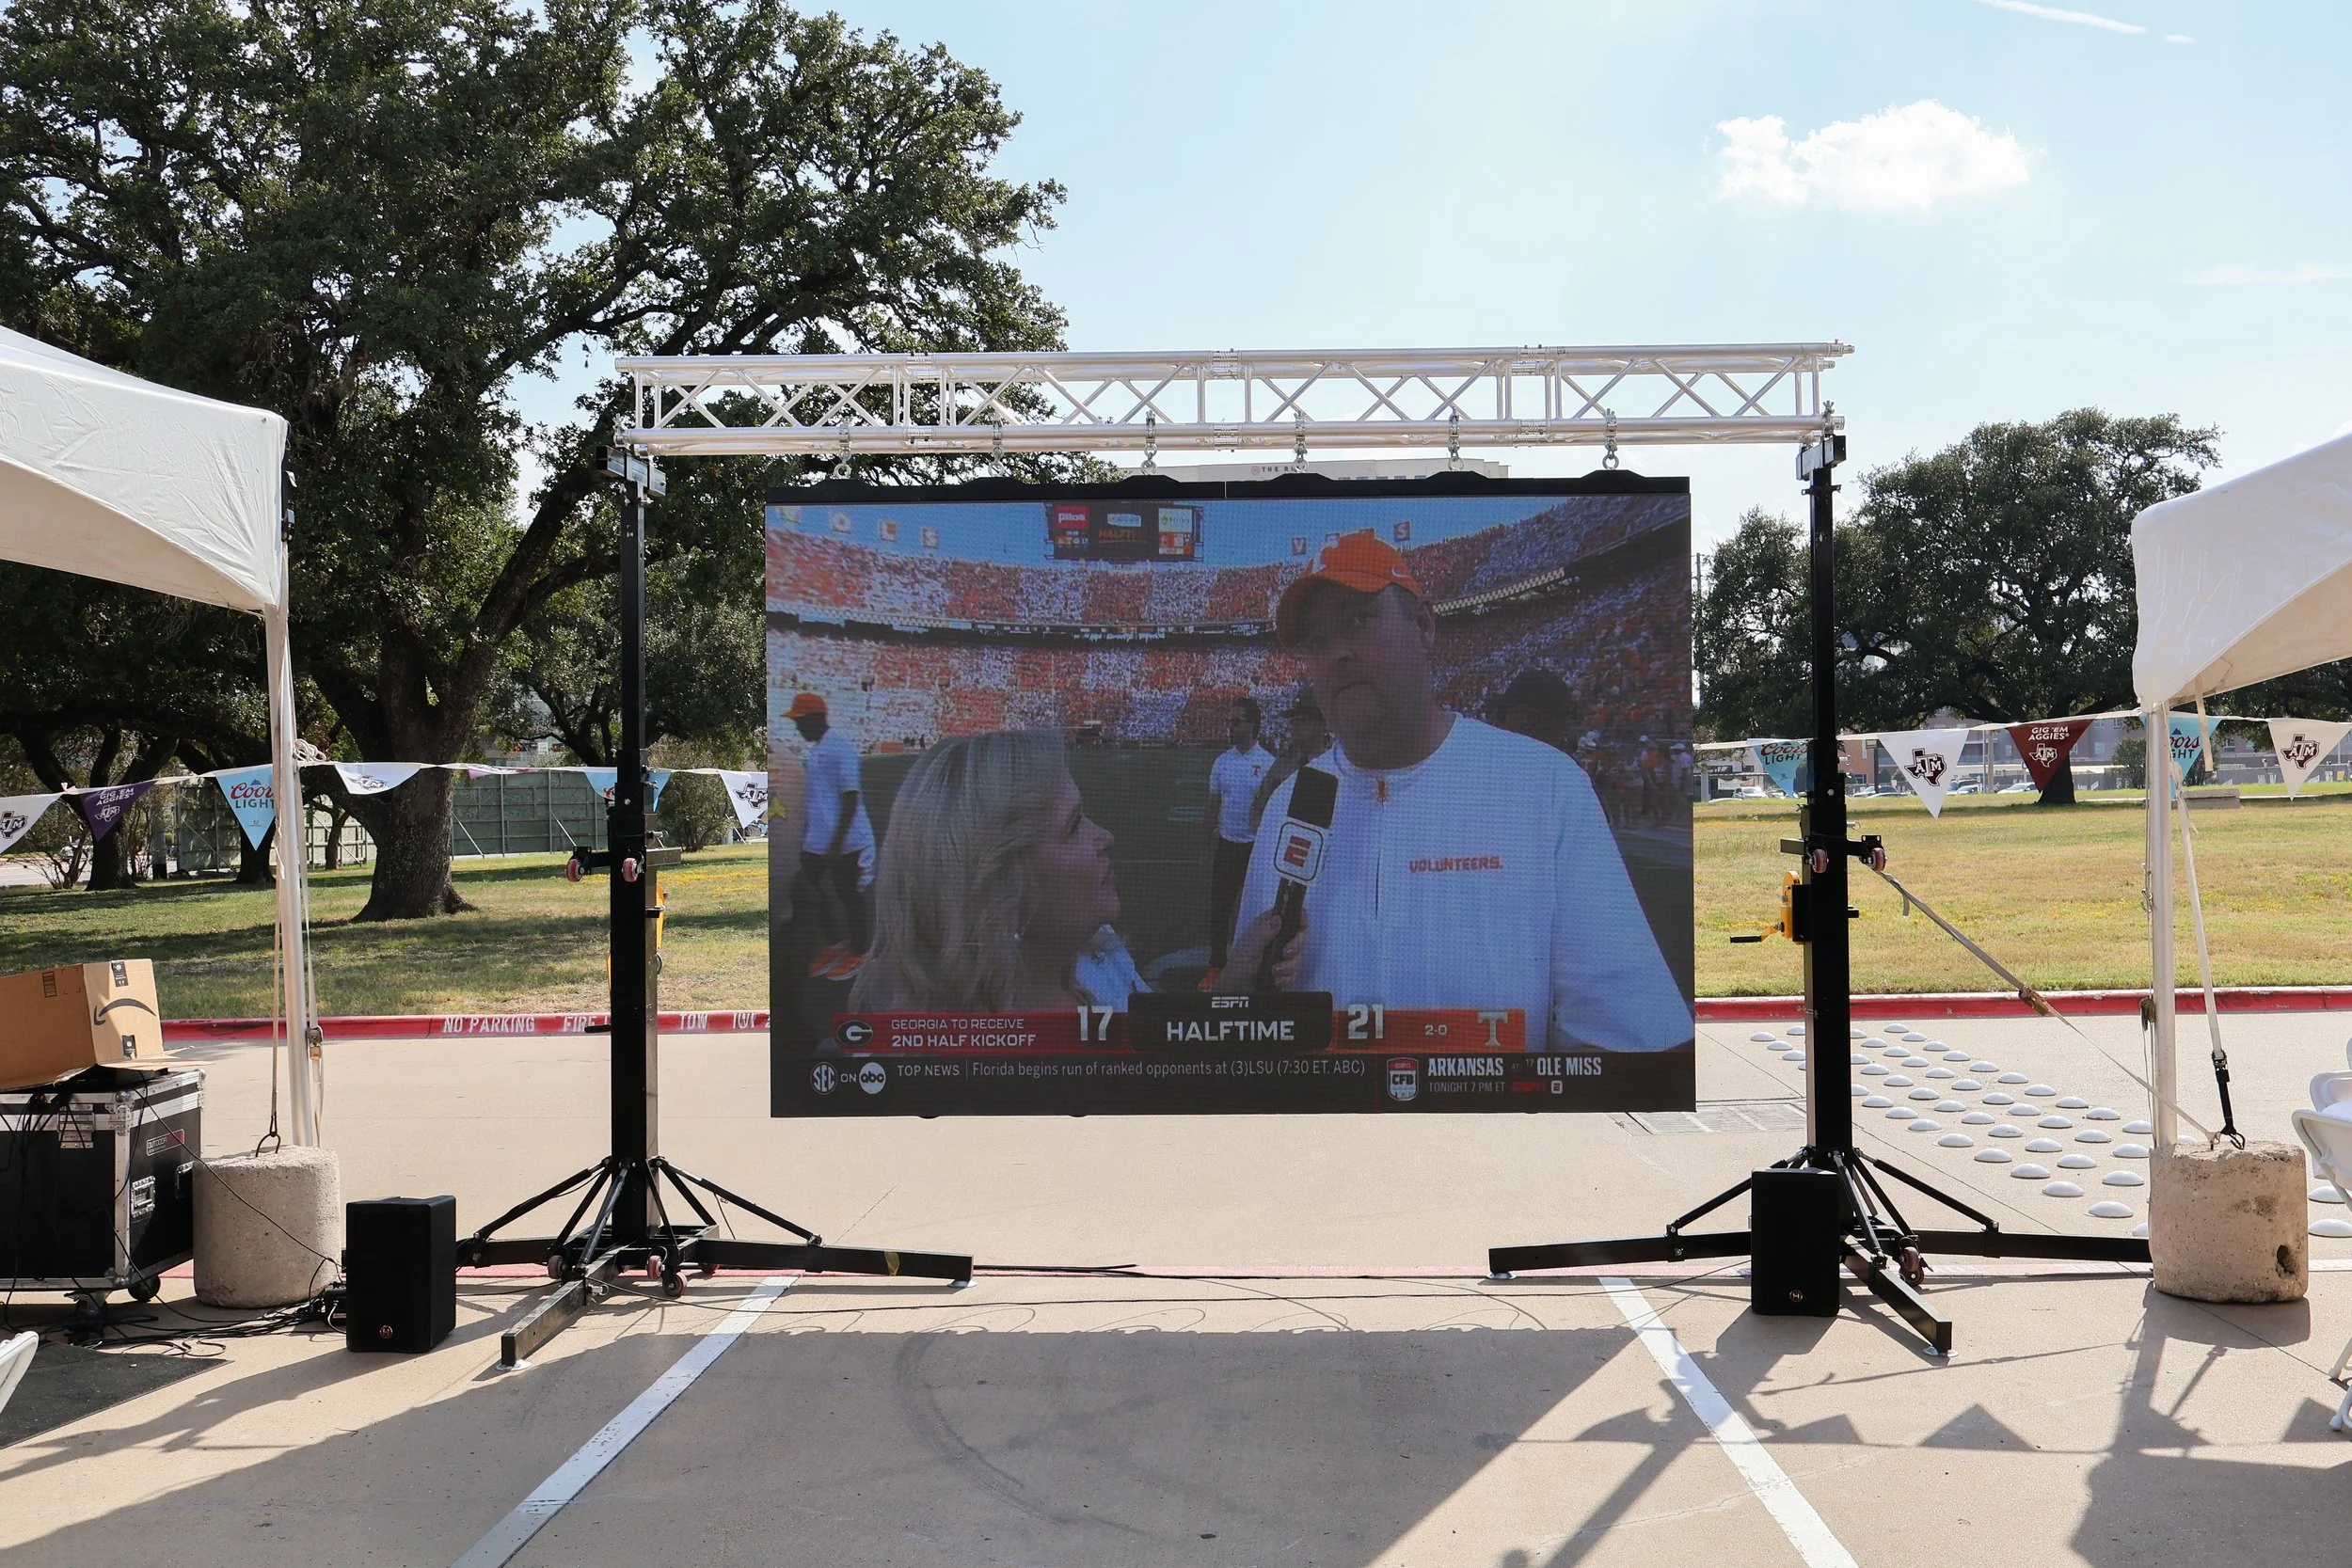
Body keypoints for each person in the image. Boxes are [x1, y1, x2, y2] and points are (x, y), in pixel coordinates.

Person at [1226, 531, 1688, 1053]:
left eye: (1359, 619)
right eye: (1316, 641)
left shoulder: (1545, 786)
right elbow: (1252, 1007)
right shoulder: (1289, 803)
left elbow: (1626, 1035)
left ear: (1423, 626)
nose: (1337, 654)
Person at [849, 729, 1142, 1012]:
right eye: (1073, 825)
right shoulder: (946, 1054)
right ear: (998, 885)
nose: (1106, 838)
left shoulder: (1099, 950)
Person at [787, 692, 877, 982]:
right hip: (819, 841)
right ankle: (836, 943)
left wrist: (837, 844)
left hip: (846, 842)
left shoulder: (840, 748)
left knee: (847, 895)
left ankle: (860, 952)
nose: (797, 727)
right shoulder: (817, 750)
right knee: (803, 888)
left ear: (815, 719)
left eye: (799, 721)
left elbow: (850, 796)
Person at [1200, 696, 1272, 988]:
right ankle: (1216, 966)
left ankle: (1263, 966)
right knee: (1220, 908)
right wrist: (1205, 849)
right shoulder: (1222, 762)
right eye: (1229, 721)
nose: (1230, 727)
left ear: (1252, 725)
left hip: (1257, 849)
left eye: (1236, 721)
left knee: (1260, 910)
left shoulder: (1268, 763)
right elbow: (1211, 807)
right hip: (1228, 846)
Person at [1250, 689, 1331, 832]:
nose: (1294, 726)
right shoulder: (1282, 764)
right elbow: (1258, 809)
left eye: (1302, 720)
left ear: (1323, 724)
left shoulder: (1336, 765)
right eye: (1292, 721)